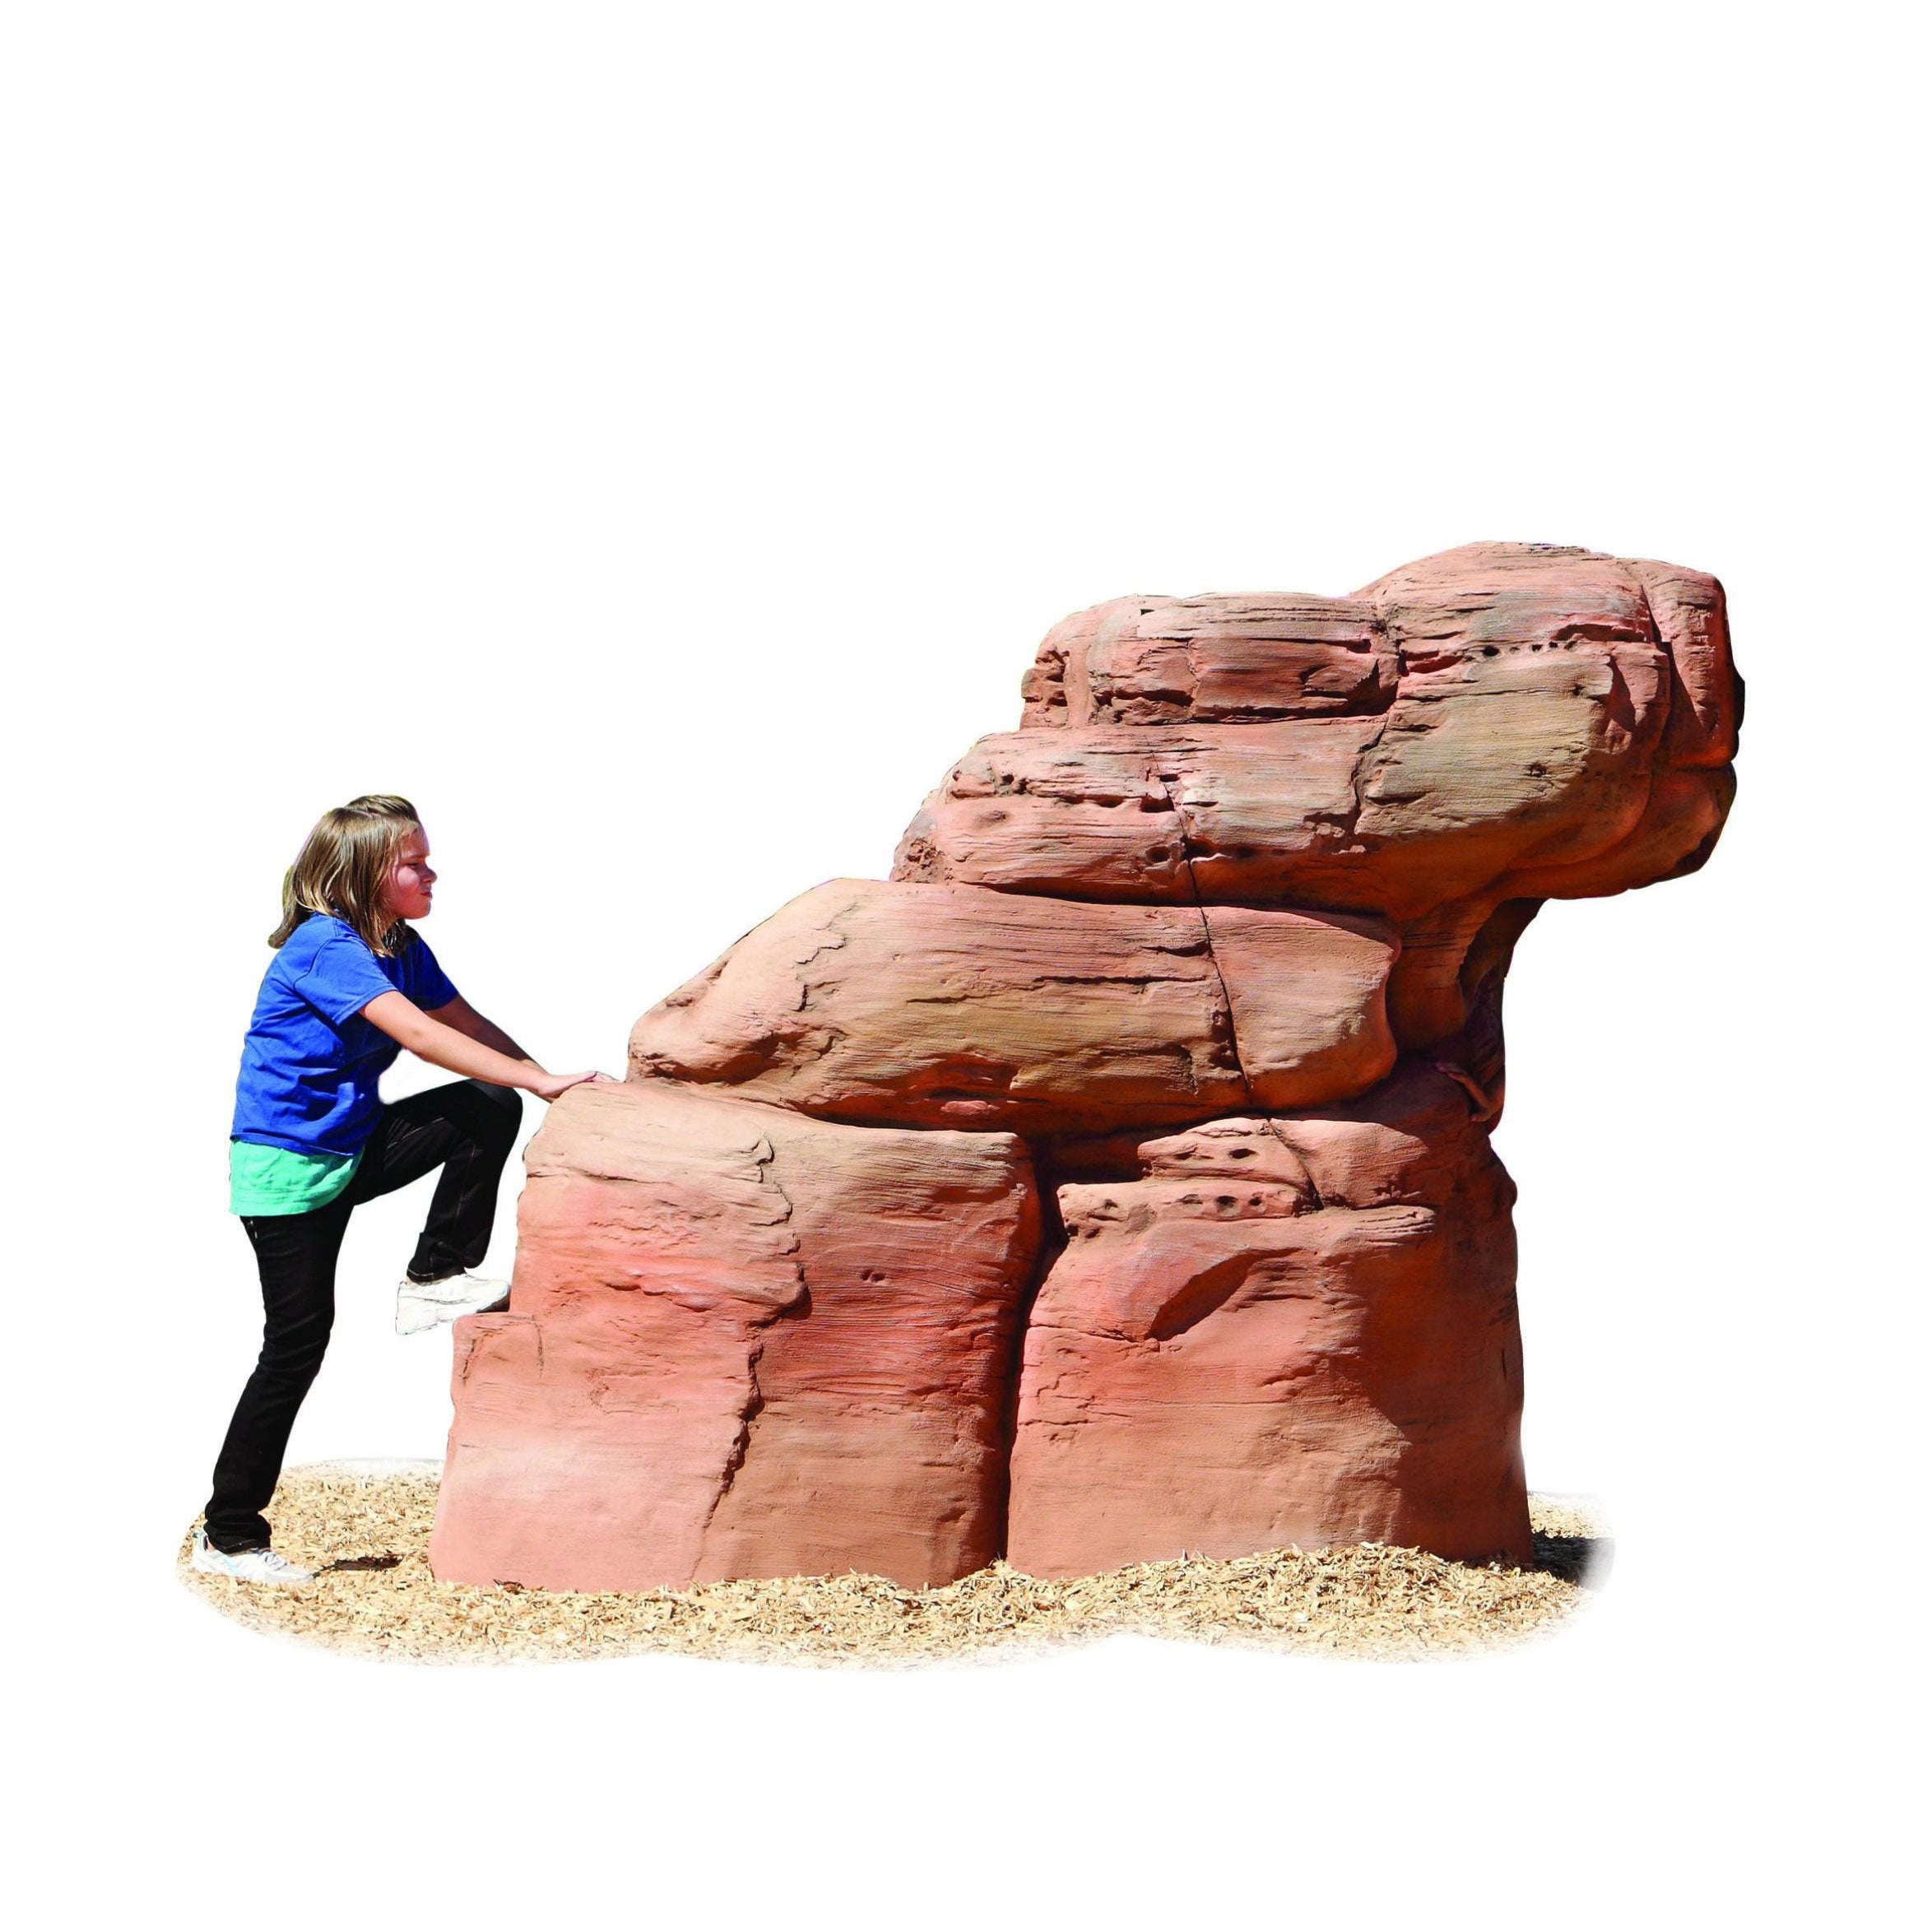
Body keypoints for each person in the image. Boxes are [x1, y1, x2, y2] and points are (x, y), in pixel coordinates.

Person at [192, 794, 611, 1585]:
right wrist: (539, 1081)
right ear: (363, 875)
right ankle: (230, 1535)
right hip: (287, 1171)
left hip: (351, 1147)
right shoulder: (325, 948)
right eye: (414, 863)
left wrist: (552, 1082)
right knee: (294, 1349)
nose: (432, 872)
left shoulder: (399, 945)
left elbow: (464, 1022)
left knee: (489, 1104)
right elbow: (420, 1036)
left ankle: (436, 1274)